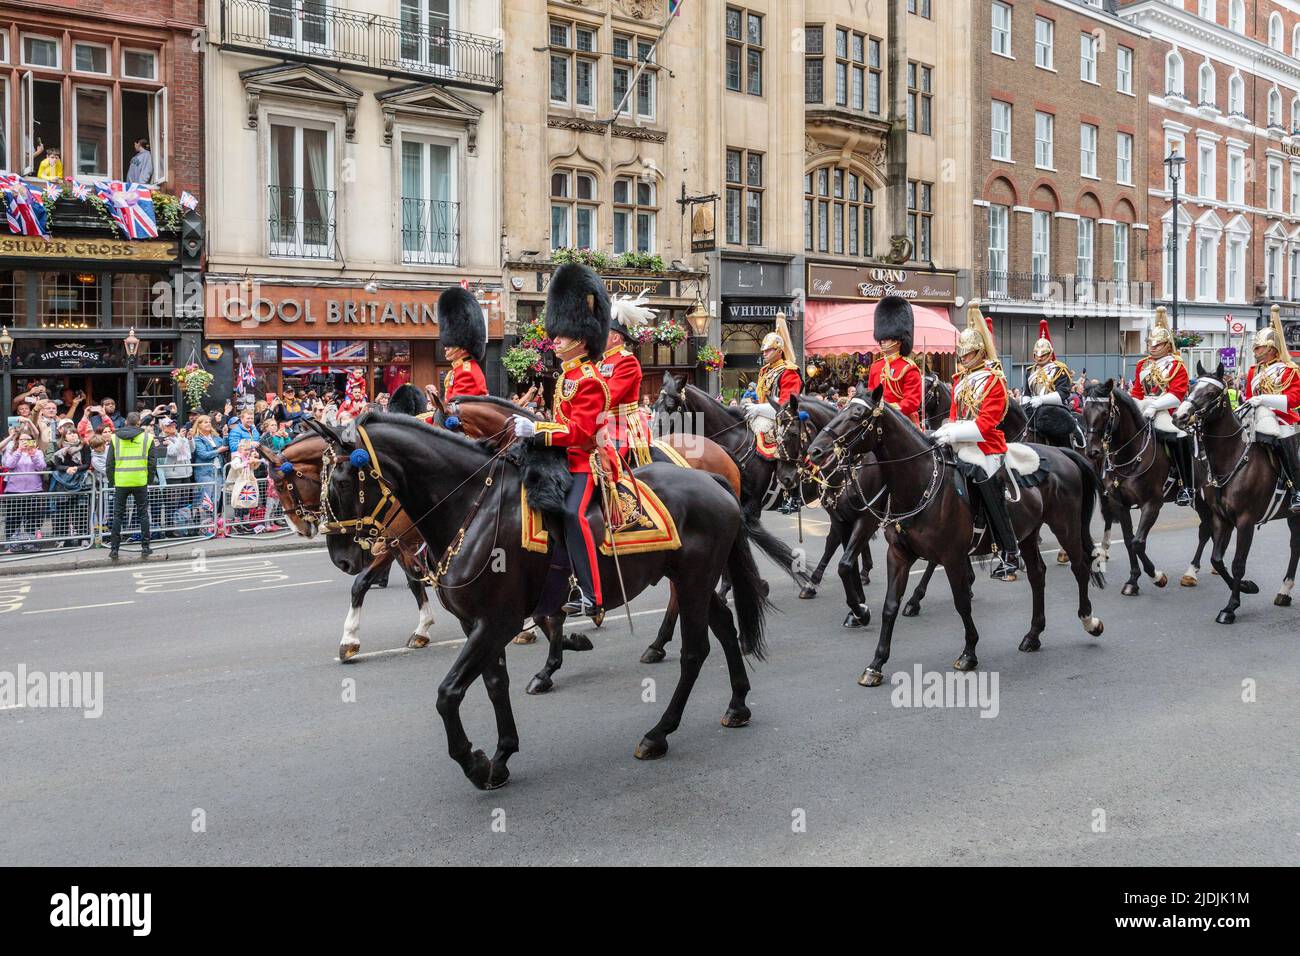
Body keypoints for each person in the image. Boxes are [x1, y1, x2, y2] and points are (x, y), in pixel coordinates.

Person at [510, 263, 612, 620]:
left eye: (561, 335)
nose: (554, 340)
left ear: (580, 337)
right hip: (559, 460)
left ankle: (592, 594)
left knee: (572, 514)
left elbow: (581, 435)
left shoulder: (590, 380)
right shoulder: (565, 376)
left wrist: (538, 431)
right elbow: (560, 422)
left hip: (584, 462)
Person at [932, 307, 1021, 578]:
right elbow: (953, 415)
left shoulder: (994, 381)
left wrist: (954, 433)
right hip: (962, 443)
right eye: (962, 353)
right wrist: (944, 430)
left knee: (985, 481)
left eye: (968, 353)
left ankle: (1010, 552)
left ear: (980, 352)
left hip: (986, 446)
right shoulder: (959, 382)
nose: (963, 357)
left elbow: (985, 425)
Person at [1130, 306, 1195, 506]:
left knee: (1178, 436)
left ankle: (1186, 486)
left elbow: (1176, 395)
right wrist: (1132, 404)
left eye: (1158, 344)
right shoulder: (1143, 365)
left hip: (1165, 410)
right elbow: (1137, 391)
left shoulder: (1177, 365)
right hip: (1144, 406)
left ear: (1168, 345)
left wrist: (1154, 406)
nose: (1153, 347)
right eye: (1150, 343)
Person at [1241, 305, 1300, 514]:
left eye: (1259, 348)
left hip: (1283, 419)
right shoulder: (1253, 371)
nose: (1255, 351)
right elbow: (1249, 397)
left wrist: (1264, 399)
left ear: (1272, 348)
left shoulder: (1289, 371)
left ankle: (1296, 490)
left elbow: (1294, 399)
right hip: (1256, 418)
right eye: (1255, 348)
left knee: (1285, 442)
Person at [600, 289, 657, 466]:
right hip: (601, 421)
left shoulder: (627, 362)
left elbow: (608, 397)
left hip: (620, 425)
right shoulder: (600, 363)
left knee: (607, 464)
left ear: (616, 337)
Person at [745, 312, 803, 459]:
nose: (764, 353)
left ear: (779, 350)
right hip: (763, 412)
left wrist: (758, 408)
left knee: (768, 443)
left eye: (768, 350)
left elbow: (786, 406)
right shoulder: (766, 370)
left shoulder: (789, 372)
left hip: (781, 420)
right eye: (763, 350)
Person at [106, 411, 157, 560]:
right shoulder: (148, 438)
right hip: (140, 480)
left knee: (118, 515)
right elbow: (152, 463)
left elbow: (110, 463)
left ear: (126, 422)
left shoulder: (115, 438)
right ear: (139, 422)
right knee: (143, 514)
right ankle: (146, 547)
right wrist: (148, 479)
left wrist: (112, 480)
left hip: (121, 481)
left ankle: (114, 549)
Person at [866, 295, 923, 425]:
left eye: (887, 338)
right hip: (877, 420)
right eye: (882, 338)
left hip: (902, 422)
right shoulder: (876, 366)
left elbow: (912, 402)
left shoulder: (909, 368)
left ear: (898, 339)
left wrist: (887, 410)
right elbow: (870, 393)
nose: (882, 341)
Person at [1021, 320, 1076, 442]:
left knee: (1060, 434)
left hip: (1054, 409)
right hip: (1033, 410)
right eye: (1037, 354)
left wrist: (1042, 400)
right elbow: (1027, 392)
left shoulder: (1059, 369)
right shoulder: (1030, 371)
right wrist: (1025, 405)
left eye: (1043, 355)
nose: (1039, 358)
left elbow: (1063, 393)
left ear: (1050, 354)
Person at [437, 285, 489, 401]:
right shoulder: (458, 370)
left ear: (463, 348)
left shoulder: (466, 373)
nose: (445, 347)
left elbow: (455, 412)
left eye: (450, 344)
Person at [190, 415, 226, 514]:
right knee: (205, 500)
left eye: (209, 422)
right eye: (205, 422)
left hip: (218, 471)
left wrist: (225, 435)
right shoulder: (197, 438)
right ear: (199, 425)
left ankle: (212, 524)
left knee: (216, 499)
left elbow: (225, 445)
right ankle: (203, 526)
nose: (208, 424)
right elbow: (203, 454)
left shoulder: (215, 436)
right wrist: (218, 451)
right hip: (205, 473)